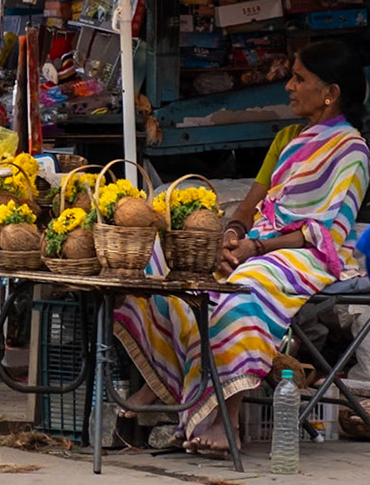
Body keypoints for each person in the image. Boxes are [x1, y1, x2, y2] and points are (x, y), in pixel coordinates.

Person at [116, 40, 370, 456]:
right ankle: (164, 383)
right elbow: (252, 206)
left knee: (243, 290)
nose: (288, 86)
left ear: (331, 92)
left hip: (307, 254)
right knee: (167, 267)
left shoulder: (353, 151)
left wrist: (256, 248)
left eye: (299, 78)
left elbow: (328, 230)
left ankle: (226, 416)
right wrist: (233, 235)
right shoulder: (288, 137)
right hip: (259, 242)